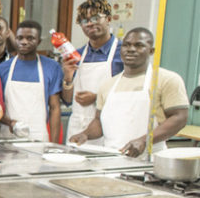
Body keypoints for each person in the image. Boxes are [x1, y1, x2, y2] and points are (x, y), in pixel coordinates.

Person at [69, 28, 188, 157]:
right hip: (111, 160)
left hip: (149, 162)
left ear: (151, 51)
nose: (131, 49)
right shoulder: (108, 85)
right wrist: (85, 134)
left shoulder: (166, 79)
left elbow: (180, 118)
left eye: (139, 45)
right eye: (126, 45)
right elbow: (98, 121)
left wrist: (144, 140)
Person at [62, 0, 124, 143]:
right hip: (77, 127)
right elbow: (67, 100)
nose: (90, 23)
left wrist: (97, 97)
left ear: (108, 19)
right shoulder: (77, 55)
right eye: (85, 21)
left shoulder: (123, 53)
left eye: (96, 18)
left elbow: (130, 95)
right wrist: (68, 77)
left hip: (109, 127)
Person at [0, 20, 63, 142]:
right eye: (20, 38)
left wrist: (54, 146)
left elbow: (54, 108)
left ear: (39, 41)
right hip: (8, 137)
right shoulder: (2, 69)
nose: (24, 42)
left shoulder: (51, 67)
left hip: (38, 137)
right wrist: (10, 123)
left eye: (30, 38)